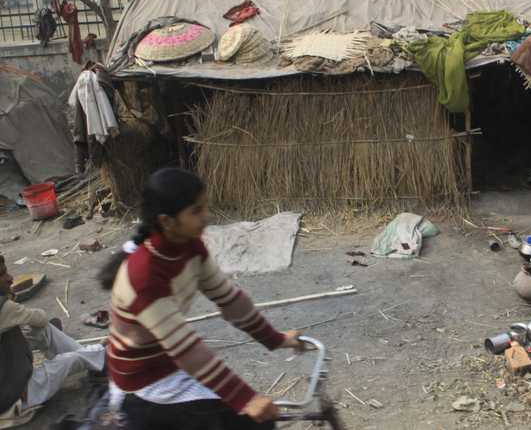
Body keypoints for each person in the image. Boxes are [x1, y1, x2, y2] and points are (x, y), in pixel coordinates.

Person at [100, 168, 303, 430]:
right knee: (254, 424)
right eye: (196, 211)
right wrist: (245, 398)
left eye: (205, 207)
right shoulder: (144, 275)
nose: (206, 216)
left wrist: (275, 339)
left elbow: (230, 300)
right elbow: (185, 348)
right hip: (145, 384)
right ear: (167, 221)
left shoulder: (190, 247)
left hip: (169, 363)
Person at [0, 255, 106, 429]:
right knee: (71, 358)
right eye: (2, 274)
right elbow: (40, 318)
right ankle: (98, 354)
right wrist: (10, 300)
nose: (10, 278)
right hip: (17, 396)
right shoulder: (4, 308)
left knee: (40, 329)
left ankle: (93, 356)